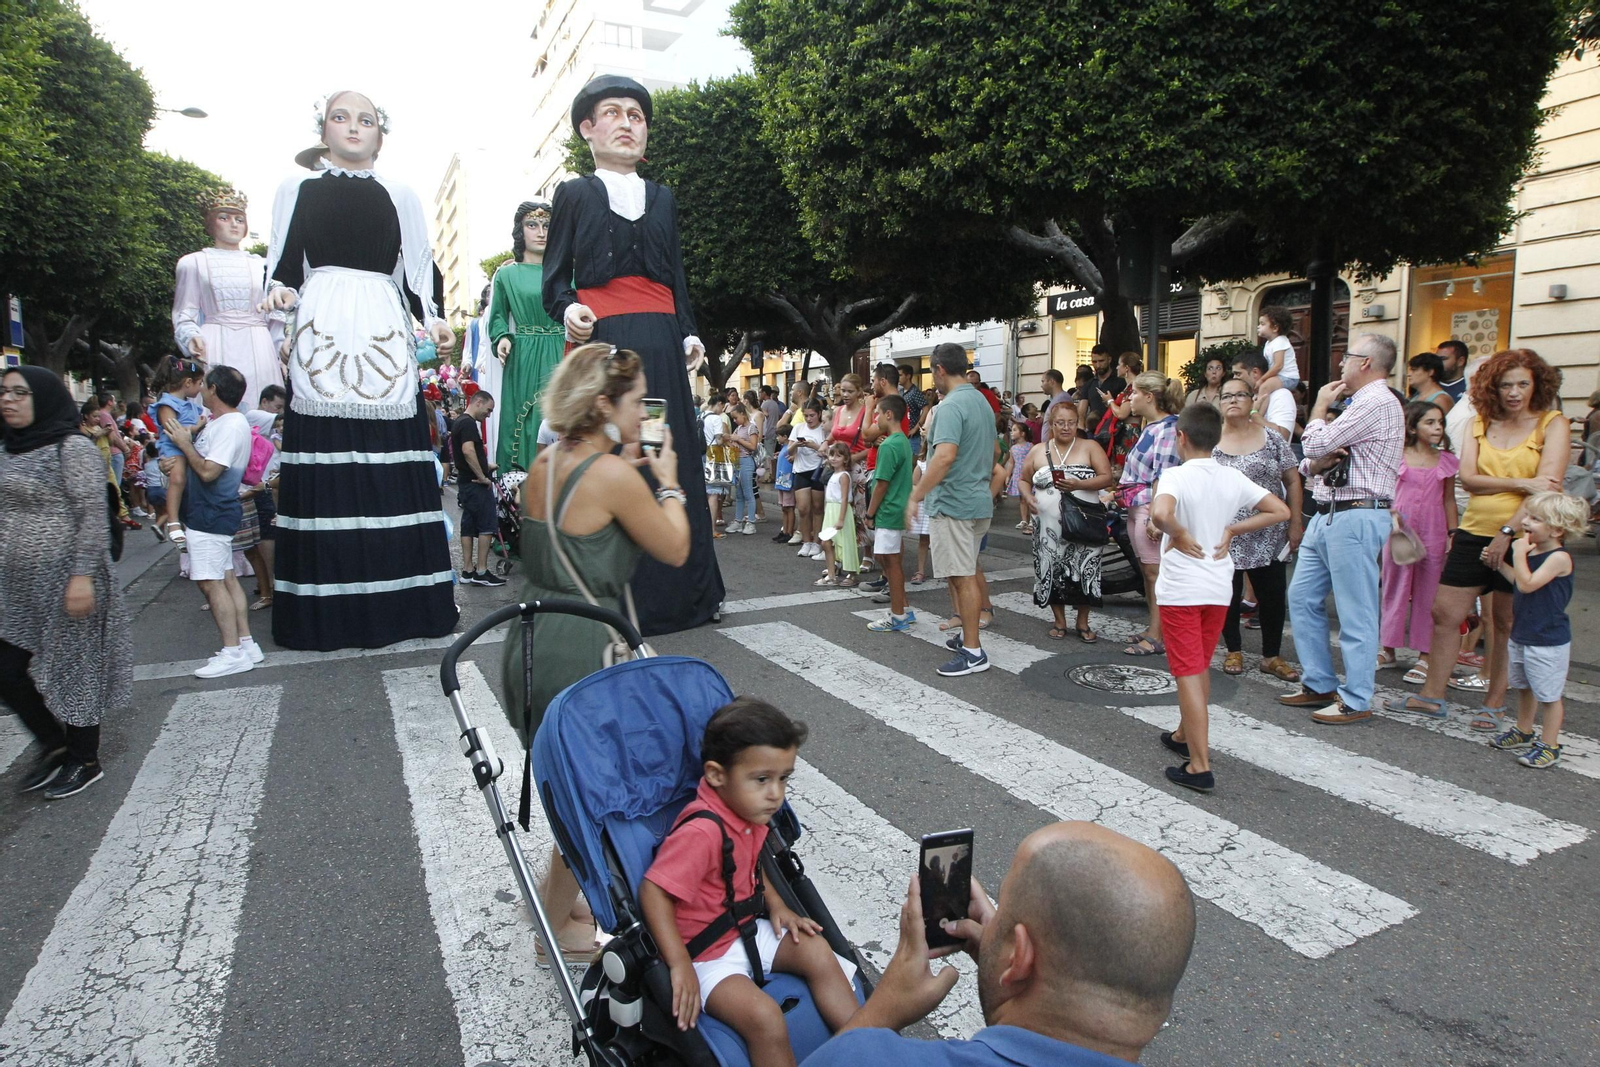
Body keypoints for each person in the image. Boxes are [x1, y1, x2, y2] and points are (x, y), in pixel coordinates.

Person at [502, 342, 691, 966]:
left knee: (568, 780)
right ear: (605, 402)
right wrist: (667, 485)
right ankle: (555, 932)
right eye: (637, 401)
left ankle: (573, 906)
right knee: (589, 794)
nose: (644, 413)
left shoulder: (546, 461)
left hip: (533, 636)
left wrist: (627, 460)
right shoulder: (613, 474)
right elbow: (674, 549)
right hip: (586, 642)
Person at [265, 90, 458, 651]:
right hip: (321, 321)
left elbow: (420, 271)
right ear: (322, 130)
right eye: (341, 117)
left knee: (390, 466)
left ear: (381, 133)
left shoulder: (402, 193)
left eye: (366, 119)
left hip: (383, 324)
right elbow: (281, 263)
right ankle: (324, 615)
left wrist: (436, 321)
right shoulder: (293, 188)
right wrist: (278, 295)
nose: (353, 127)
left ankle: (407, 604)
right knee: (325, 466)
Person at [544, 74, 724, 635]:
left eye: (637, 116)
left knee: (658, 449)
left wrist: (689, 332)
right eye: (613, 113)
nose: (627, 123)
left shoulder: (664, 198)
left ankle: (680, 596)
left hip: (662, 353)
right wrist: (569, 307)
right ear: (587, 128)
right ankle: (614, 596)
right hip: (608, 351)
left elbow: (676, 277)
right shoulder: (574, 193)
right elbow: (556, 283)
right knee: (609, 453)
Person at [803, 821, 1196, 1067]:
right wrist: (1001, 955)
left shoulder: (867, 1057)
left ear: (1021, 957)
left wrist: (881, 1011)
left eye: (1003, 908)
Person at [641, 699, 858, 1067]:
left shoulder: (747, 810)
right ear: (716, 775)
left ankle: (861, 1046)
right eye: (762, 779)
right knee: (764, 1017)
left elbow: (750, 865)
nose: (776, 793)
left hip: (745, 930)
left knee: (817, 951)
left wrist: (776, 905)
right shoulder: (702, 832)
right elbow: (654, 891)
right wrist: (678, 965)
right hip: (705, 957)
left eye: (783, 778)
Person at [1385, 349, 1569, 729]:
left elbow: (1547, 488)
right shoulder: (1478, 424)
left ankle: (1494, 703)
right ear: (1492, 388)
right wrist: (1522, 481)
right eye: (1505, 385)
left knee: (1504, 620)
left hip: (1526, 537)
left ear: (1537, 384)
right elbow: (1468, 479)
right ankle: (1433, 696)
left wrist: (1507, 532)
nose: (1514, 392)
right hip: (1474, 530)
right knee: (1445, 612)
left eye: (1522, 383)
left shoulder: (1552, 424)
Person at [0, 366, 131, 799]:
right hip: (16, 586)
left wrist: (81, 577)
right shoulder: (8, 448)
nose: (9, 400)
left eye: (20, 393)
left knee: (76, 670)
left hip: (69, 579)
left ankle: (84, 758)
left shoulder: (71, 448)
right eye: (4, 392)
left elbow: (93, 515)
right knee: (7, 670)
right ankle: (53, 743)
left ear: (45, 397)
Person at [1153, 404, 1290, 791]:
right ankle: (1184, 735)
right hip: (1218, 584)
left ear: (1181, 437)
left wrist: (1178, 533)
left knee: (1187, 672)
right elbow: (1279, 509)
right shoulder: (1232, 477)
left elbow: (1161, 514)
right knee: (1199, 665)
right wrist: (1233, 529)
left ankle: (1199, 764)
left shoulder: (1175, 475)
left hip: (1182, 588)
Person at [1279, 334, 1405, 724]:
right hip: (1332, 510)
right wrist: (1313, 464)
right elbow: (1314, 463)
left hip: (1356, 513)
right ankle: (1319, 682)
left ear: (1365, 362)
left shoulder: (1376, 402)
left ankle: (1357, 697)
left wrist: (1317, 407)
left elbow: (1316, 445)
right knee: (1301, 597)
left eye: (1347, 357)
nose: (1340, 364)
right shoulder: (1361, 404)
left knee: (1356, 611)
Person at [162, 365, 263, 679]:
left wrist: (184, 445)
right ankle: (245, 645)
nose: (200, 388)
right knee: (226, 578)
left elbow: (209, 471)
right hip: (213, 511)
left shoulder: (230, 425)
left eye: (204, 383)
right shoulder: (224, 423)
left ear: (215, 389)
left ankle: (231, 652)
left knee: (210, 582)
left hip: (211, 513)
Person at [908, 343, 995, 677]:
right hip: (976, 499)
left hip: (954, 503)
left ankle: (973, 651)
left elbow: (943, 457)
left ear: (939, 369)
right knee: (967, 571)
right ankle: (968, 638)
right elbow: (989, 453)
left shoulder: (949, 406)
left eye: (933, 372)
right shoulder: (981, 402)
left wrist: (916, 495)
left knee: (962, 577)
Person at [1213, 379, 1304, 681]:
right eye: (1227, 395)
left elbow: (1292, 480)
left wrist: (1295, 522)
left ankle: (1272, 655)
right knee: (1228, 592)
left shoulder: (1272, 438)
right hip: (1226, 528)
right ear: (1220, 402)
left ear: (1252, 399)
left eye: (1240, 394)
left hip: (1268, 527)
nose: (1233, 400)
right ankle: (1233, 649)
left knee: (1273, 593)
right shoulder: (1212, 440)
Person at [1487, 491, 1586, 768]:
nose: (1526, 522)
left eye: (1535, 519)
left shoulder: (1558, 558)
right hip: (1524, 632)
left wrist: (1518, 553)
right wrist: (1499, 565)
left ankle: (1550, 745)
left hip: (1547, 638)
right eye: (1528, 516)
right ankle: (1524, 729)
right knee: (1524, 686)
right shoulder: (1533, 553)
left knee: (1549, 695)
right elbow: (1520, 581)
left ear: (1556, 529)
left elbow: (1529, 584)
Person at [171, 186, 285, 416]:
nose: (234, 224)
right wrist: (191, 335)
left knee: (261, 408)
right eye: (224, 218)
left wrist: (281, 348)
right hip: (215, 341)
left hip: (258, 343)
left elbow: (275, 318)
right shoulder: (192, 263)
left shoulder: (264, 266)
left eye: (239, 219)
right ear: (211, 223)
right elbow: (184, 312)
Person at [1020, 403, 1114, 643]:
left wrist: (1079, 485)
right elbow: (1023, 479)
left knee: (1085, 569)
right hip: (1047, 526)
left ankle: (1082, 622)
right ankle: (1059, 621)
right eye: (1060, 423)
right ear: (1051, 425)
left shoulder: (1089, 446)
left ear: (1077, 424)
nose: (1065, 427)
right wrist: (1029, 497)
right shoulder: (1039, 450)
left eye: (1071, 422)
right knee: (1051, 568)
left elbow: (1107, 477)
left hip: (1084, 521)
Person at [1377, 402, 1458, 677]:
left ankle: (1425, 654)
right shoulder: (1395, 455)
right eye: (1430, 422)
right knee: (1394, 587)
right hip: (1400, 529)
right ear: (1412, 426)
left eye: (1440, 423)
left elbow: (1448, 499)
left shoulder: (1446, 460)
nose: (1438, 428)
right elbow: (1384, 490)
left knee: (1429, 591)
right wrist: (1389, 514)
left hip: (1434, 529)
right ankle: (1387, 648)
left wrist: (1453, 532)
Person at [489, 201, 564, 472]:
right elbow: (497, 315)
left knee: (563, 412)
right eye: (532, 225)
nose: (541, 232)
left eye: (546, 226)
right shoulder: (507, 275)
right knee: (526, 418)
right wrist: (502, 338)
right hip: (524, 353)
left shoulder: (567, 273)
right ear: (521, 231)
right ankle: (524, 488)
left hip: (562, 348)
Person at [1116, 373, 1187, 658]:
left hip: (1148, 508)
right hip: (1138, 507)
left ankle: (1158, 635)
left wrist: (1156, 518)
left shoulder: (1167, 430)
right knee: (1148, 572)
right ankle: (1153, 628)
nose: (1129, 398)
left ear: (1149, 396)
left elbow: (1165, 476)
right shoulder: (1153, 427)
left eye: (1133, 393)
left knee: (1155, 573)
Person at [864, 395, 914, 631]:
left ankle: (898, 616)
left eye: (877, 414)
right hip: (896, 507)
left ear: (889, 414)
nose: (875, 418)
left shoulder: (889, 445)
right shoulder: (902, 441)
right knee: (890, 560)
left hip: (888, 509)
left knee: (890, 563)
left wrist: (870, 512)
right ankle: (903, 607)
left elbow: (881, 483)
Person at [149, 357, 208, 546]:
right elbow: (172, 430)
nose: (201, 388)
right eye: (199, 383)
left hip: (188, 448)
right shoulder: (167, 404)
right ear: (188, 382)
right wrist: (195, 428)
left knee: (186, 484)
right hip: (173, 448)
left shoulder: (189, 405)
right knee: (178, 479)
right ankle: (173, 522)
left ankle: (181, 524)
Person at [452, 390, 506, 587]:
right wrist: (482, 476)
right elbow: (467, 450)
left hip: (465, 483)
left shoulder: (459, 421)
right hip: (475, 484)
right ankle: (481, 571)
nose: (489, 415)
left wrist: (485, 466)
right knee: (486, 525)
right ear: (479, 402)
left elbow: (464, 453)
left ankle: (467, 569)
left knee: (468, 525)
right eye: (488, 410)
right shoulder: (468, 423)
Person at [788, 400, 828, 557]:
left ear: (819, 414)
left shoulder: (823, 429)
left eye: (812, 415)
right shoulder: (798, 427)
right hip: (801, 470)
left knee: (818, 508)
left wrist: (814, 446)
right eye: (806, 416)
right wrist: (797, 445)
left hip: (818, 470)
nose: (809, 419)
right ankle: (806, 541)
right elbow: (789, 451)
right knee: (803, 508)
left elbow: (828, 452)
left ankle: (817, 542)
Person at [817, 443, 860, 587]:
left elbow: (844, 498)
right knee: (826, 542)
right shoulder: (833, 475)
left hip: (840, 511)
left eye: (838, 456)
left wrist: (841, 518)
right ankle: (831, 574)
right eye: (831, 455)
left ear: (846, 459)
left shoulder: (844, 476)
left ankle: (852, 573)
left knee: (846, 541)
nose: (834, 458)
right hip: (830, 510)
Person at [1230, 352, 1296, 441]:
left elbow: (1282, 436)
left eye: (1238, 374)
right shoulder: (1250, 398)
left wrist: (1254, 414)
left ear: (1255, 372)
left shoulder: (1281, 395)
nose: (1234, 378)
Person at [1254, 305, 1300, 405]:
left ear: (1275, 328)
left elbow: (1278, 365)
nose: (1258, 327)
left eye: (1262, 324)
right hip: (1278, 377)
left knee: (1265, 387)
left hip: (1288, 377)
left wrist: (1262, 379)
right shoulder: (1268, 343)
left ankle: (1258, 414)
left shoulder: (1280, 341)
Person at [727, 403, 760, 535]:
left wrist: (738, 440)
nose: (735, 421)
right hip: (737, 461)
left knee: (748, 493)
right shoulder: (739, 428)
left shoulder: (751, 428)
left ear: (742, 414)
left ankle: (751, 522)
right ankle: (738, 520)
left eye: (736, 418)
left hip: (747, 461)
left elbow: (753, 446)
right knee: (739, 494)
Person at [1077, 345, 1124, 435]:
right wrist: (1081, 431)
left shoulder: (1120, 382)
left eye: (1101, 361)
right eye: (1094, 362)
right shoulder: (1089, 384)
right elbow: (1082, 410)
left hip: (1115, 431)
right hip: (1093, 431)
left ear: (1109, 359)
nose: (1098, 365)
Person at [1005, 419, 1034, 532]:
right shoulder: (1013, 448)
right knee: (1022, 499)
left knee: (1030, 497)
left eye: (1014, 430)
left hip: (1028, 474)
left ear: (1022, 433)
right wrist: (1008, 475)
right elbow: (1012, 463)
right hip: (1018, 474)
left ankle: (1032, 520)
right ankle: (1024, 520)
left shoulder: (1030, 446)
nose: (1012, 432)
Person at [772, 424, 797, 543]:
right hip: (781, 481)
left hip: (787, 481)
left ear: (785, 436)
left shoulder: (790, 448)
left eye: (779, 436)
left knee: (789, 507)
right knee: (784, 507)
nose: (777, 438)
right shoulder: (784, 448)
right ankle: (785, 530)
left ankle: (789, 531)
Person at [898, 364, 927, 456]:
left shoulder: (915, 392)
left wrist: (915, 428)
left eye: (900, 375)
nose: (898, 378)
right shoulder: (901, 392)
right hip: (902, 432)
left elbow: (926, 408)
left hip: (913, 435)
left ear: (908, 376)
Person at [1435, 338, 1470, 403]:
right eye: (1436, 359)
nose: (1437, 363)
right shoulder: (1430, 386)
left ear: (1460, 361)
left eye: (1443, 359)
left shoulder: (1471, 387)